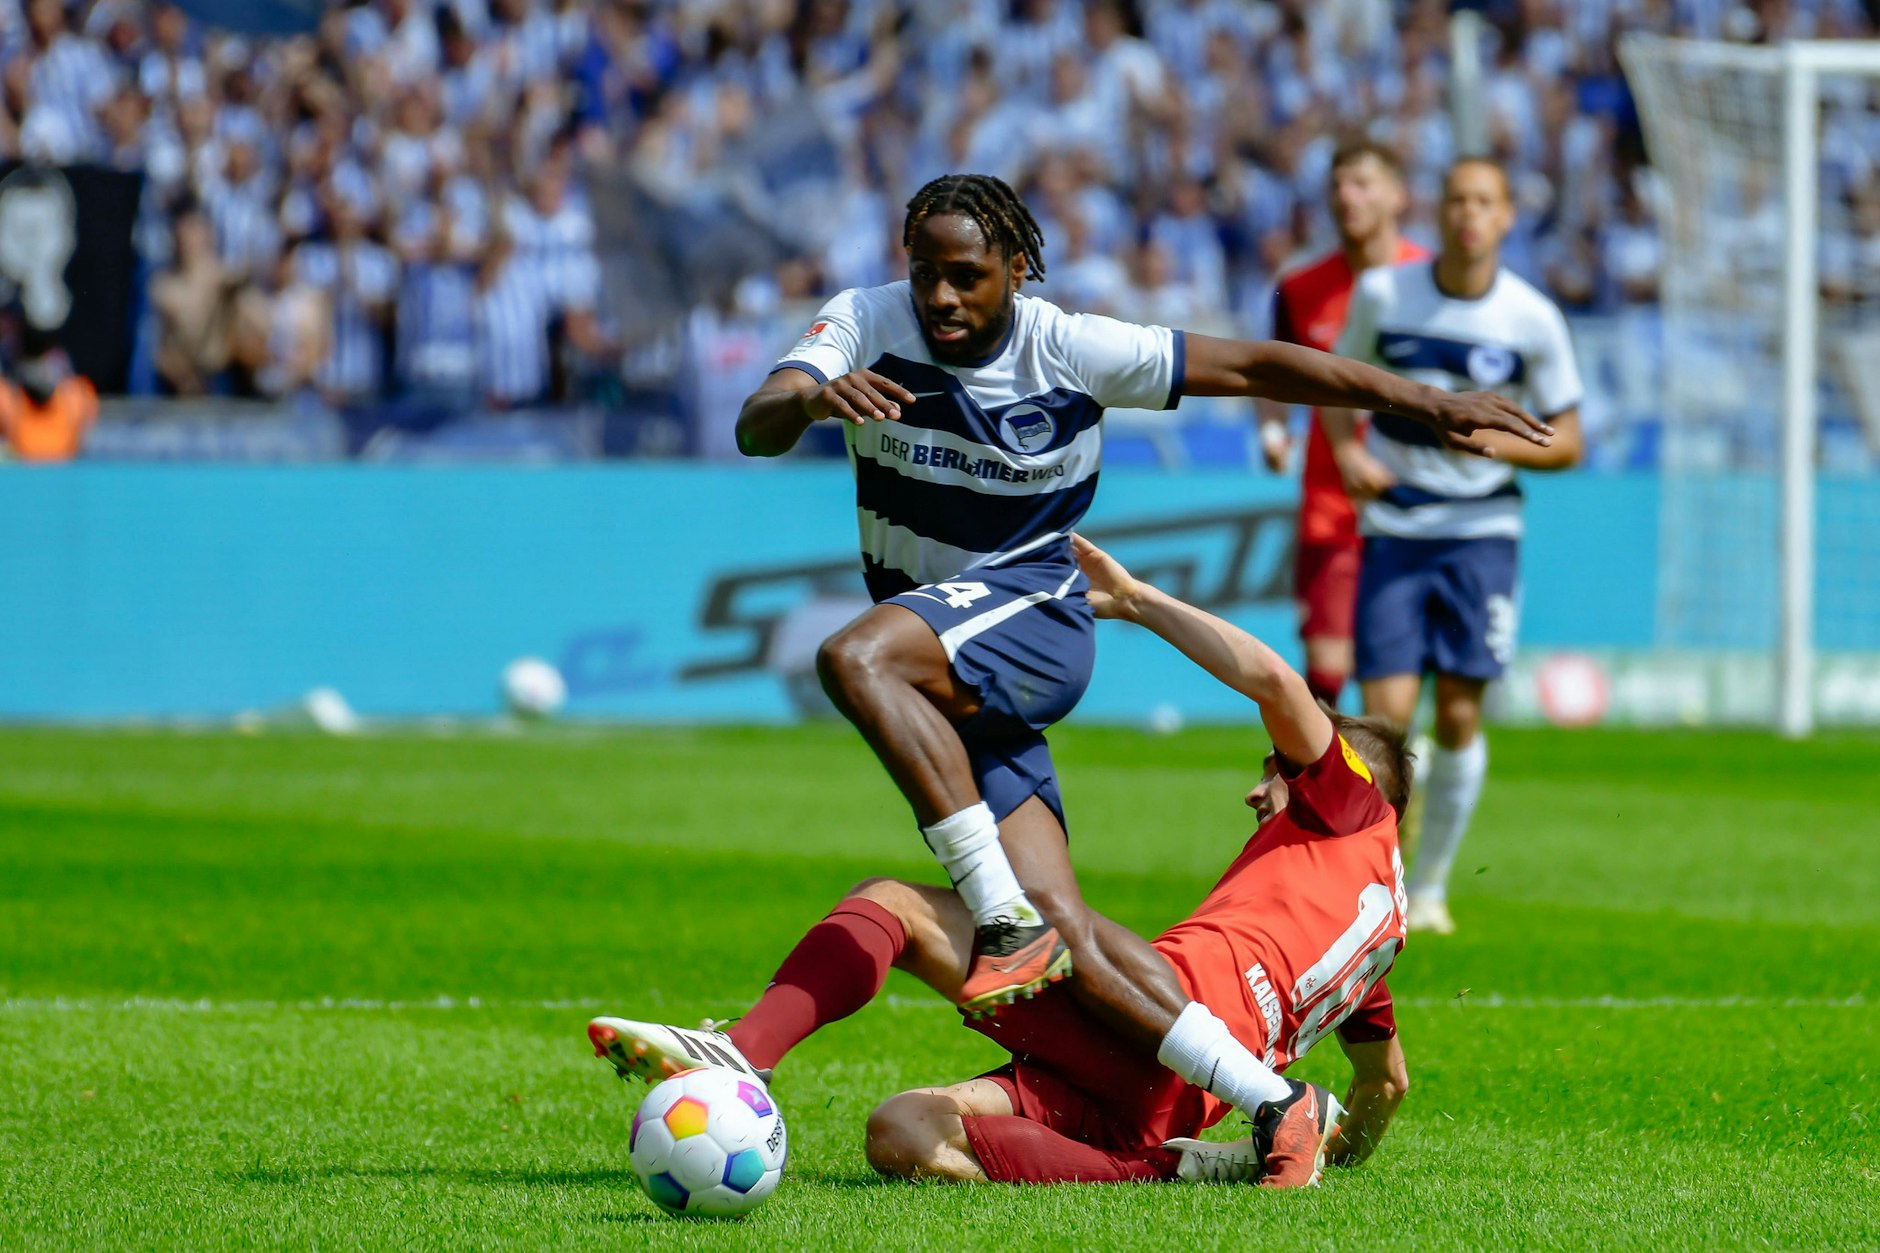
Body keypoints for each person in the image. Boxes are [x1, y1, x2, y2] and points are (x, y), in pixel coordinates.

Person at [730, 174, 1537, 1127]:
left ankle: (998, 917)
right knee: (1070, 929)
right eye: (923, 274)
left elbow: (1258, 369)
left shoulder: (1070, 347)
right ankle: (1271, 1101)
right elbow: (759, 421)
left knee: (854, 658)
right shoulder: (864, 323)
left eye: (965, 275)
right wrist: (816, 397)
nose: (940, 297)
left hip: (1032, 615)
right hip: (946, 661)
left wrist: (1422, 403)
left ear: (1018, 269)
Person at [589, 534, 1413, 1189]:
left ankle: (746, 1048)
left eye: (1275, 773)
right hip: (1160, 1102)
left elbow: (1274, 679)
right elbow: (1385, 1086)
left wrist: (1137, 600)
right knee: (902, 1131)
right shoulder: (1378, 938)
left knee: (902, 907)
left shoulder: (1351, 805)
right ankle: (1175, 1164)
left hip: (1155, 1020)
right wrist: (1332, 1156)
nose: (1259, 791)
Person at [1321, 157, 1584, 936]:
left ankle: (1431, 883)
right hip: (1397, 527)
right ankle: (1380, 884)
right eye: (1456, 198)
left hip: (1481, 534)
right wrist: (1347, 452)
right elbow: (1337, 382)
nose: (1468, 213)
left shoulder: (1530, 317)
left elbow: (1568, 438)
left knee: (1461, 716)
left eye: (1485, 201)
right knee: (1384, 719)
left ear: (1507, 217)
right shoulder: (1383, 294)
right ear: (1437, 211)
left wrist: (1505, 449)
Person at [1256, 139, 1429, 709]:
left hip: (1418, 502)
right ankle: (1329, 795)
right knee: (1326, 675)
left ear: (1397, 194)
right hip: (1332, 505)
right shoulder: (1302, 288)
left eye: (1361, 182)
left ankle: (1391, 792)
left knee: (1394, 694)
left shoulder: (1430, 280)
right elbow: (1268, 373)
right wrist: (1273, 429)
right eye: (1337, 185)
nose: (1345, 196)